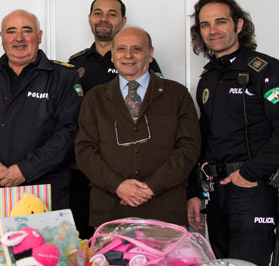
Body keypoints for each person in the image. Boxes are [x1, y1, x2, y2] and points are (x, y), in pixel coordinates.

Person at [186, 0, 279, 266]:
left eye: (220, 21)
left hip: (254, 189)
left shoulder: (266, 71)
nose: (212, 30)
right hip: (217, 192)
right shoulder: (208, 77)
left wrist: (250, 174)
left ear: (238, 25)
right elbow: (203, 139)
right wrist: (193, 191)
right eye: (205, 25)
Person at [0, 9, 82, 219]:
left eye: (26, 31)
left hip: (44, 189)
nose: (19, 38)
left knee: (45, 251)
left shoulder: (64, 77)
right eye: (11, 31)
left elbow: (69, 132)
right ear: (2, 37)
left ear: (39, 36)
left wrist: (25, 169)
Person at [76, 26, 200, 227]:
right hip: (110, 210)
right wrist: (117, 186)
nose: (128, 56)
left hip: (164, 210)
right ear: (113, 56)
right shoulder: (95, 98)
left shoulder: (177, 94)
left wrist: (151, 187)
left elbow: (189, 148)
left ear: (150, 54)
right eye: (121, 49)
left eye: (137, 49)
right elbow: (84, 151)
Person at [68, 0, 164, 237]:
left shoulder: (143, 63)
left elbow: (157, 116)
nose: (104, 19)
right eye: (98, 13)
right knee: (88, 239)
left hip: (129, 167)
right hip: (84, 168)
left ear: (123, 21)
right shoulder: (73, 65)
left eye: (112, 14)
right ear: (89, 19)